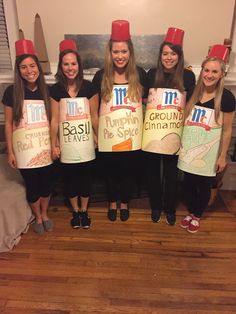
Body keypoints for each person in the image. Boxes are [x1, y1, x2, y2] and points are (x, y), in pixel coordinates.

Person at [92, 20, 147, 221]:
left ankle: (124, 202)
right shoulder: (100, 76)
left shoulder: (140, 74)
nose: (120, 56)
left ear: (130, 52)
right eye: (116, 52)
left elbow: (149, 105)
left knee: (128, 172)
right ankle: (112, 201)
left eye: (124, 51)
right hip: (108, 137)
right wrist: (97, 134)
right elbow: (94, 111)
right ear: (110, 53)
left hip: (132, 138)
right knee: (111, 172)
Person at [178, 44, 236, 233]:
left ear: (221, 74)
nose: (209, 75)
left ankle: (196, 215)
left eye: (214, 72)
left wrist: (222, 156)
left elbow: (227, 131)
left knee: (203, 186)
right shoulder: (193, 91)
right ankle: (190, 211)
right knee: (187, 183)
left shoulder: (226, 98)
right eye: (207, 70)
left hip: (208, 153)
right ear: (202, 70)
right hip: (188, 148)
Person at [142, 27, 196, 225]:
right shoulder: (152, 74)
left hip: (175, 133)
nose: (169, 57)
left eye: (173, 53)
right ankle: (156, 206)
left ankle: (169, 208)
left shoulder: (188, 77)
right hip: (153, 133)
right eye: (165, 53)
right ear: (160, 55)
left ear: (179, 56)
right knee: (153, 172)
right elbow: (145, 102)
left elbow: (189, 105)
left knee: (172, 173)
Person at [2, 39, 53, 234]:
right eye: (23, 67)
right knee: (32, 185)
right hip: (24, 150)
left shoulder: (46, 91)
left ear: (38, 68)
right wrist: (10, 151)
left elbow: (53, 120)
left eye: (32, 65)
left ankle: (45, 213)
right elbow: (8, 123)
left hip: (44, 147)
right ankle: (37, 217)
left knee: (46, 184)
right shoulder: (11, 92)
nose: (29, 70)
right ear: (18, 70)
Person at [50, 39, 99, 229]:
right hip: (66, 143)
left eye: (73, 63)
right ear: (61, 66)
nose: (70, 68)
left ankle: (84, 211)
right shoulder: (56, 90)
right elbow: (54, 120)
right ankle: (75, 211)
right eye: (66, 64)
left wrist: (97, 136)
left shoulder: (89, 88)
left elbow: (94, 116)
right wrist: (53, 144)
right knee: (69, 179)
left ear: (79, 64)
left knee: (85, 178)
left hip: (85, 141)